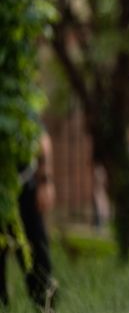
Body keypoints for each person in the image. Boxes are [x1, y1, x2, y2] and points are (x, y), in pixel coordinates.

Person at [0, 131, 57, 311]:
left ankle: (45, 307)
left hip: (23, 188)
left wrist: (45, 181)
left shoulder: (13, 104)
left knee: (38, 264)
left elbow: (41, 136)